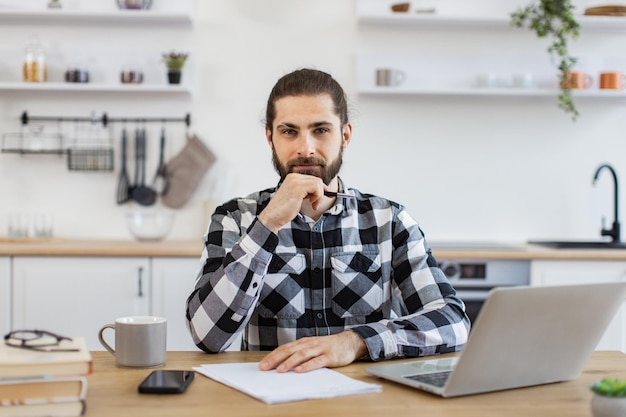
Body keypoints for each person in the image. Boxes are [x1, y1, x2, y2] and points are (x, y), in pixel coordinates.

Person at [186, 68, 470, 373]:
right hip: (269, 396)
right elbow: (207, 336)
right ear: (270, 137)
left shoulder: (390, 220)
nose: (305, 148)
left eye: (320, 130)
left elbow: (452, 322)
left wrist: (356, 342)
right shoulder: (234, 218)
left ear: (344, 135)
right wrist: (266, 224)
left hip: (365, 398)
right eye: (289, 131)